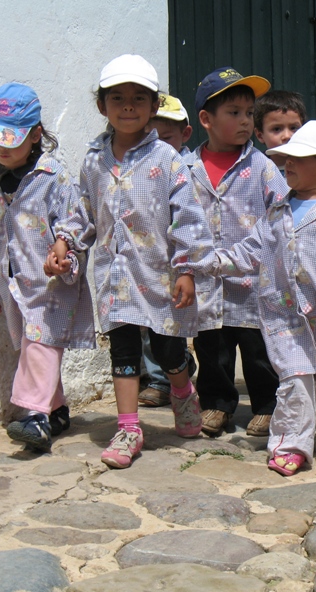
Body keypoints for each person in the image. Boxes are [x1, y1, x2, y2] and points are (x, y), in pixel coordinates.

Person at [47, 54, 214, 468]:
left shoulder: (167, 160)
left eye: (138, 98)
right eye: (116, 98)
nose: (127, 106)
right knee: (122, 350)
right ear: (102, 106)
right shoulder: (93, 161)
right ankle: (128, 429)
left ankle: (181, 390)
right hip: (114, 276)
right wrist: (66, 243)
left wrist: (187, 269)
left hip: (158, 275)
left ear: (154, 107)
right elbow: (83, 211)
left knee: (167, 350)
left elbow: (188, 218)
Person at [212, 120, 316, 475]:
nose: (287, 163)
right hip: (285, 315)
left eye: (297, 158)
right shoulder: (276, 212)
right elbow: (252, 250)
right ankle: (291, 443)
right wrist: (215, 262)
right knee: (295, 378)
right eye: (285, 157)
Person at [0, 82, 95, 451]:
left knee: (40, 342)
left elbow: (77, 218)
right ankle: (56, 410)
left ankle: (33, 417)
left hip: (50, 282)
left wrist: (64, 245)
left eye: (10, 141)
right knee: (32, 344)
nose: (0, 149)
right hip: (12, 282)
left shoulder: (52, 176)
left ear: (36, 135)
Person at [188, 68, 289, 437]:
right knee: (212, 348)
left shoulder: (262, 166)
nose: (245, 121)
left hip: (253, 280)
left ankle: (267, 404)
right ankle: (215, 404)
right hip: (205, 281)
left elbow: (280, 214)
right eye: (234, 113)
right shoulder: (186, 168)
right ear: (206, 120)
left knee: (258, 349)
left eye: (249, 113)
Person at [138, 92, 198, 408]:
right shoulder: (138, 166)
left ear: (185, 134)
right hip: (150, 256)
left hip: (183, 257)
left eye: (167, 137)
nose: (157, 144)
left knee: (174, 322)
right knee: (150, 321)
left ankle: (177, 368)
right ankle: (160, 379)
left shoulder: (190, 167)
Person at [253, 90, 307, 170]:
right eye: (277, 129)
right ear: (260, 135)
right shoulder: (255, 168)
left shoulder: (312, 165)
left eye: (294, 128)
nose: (287, 136)